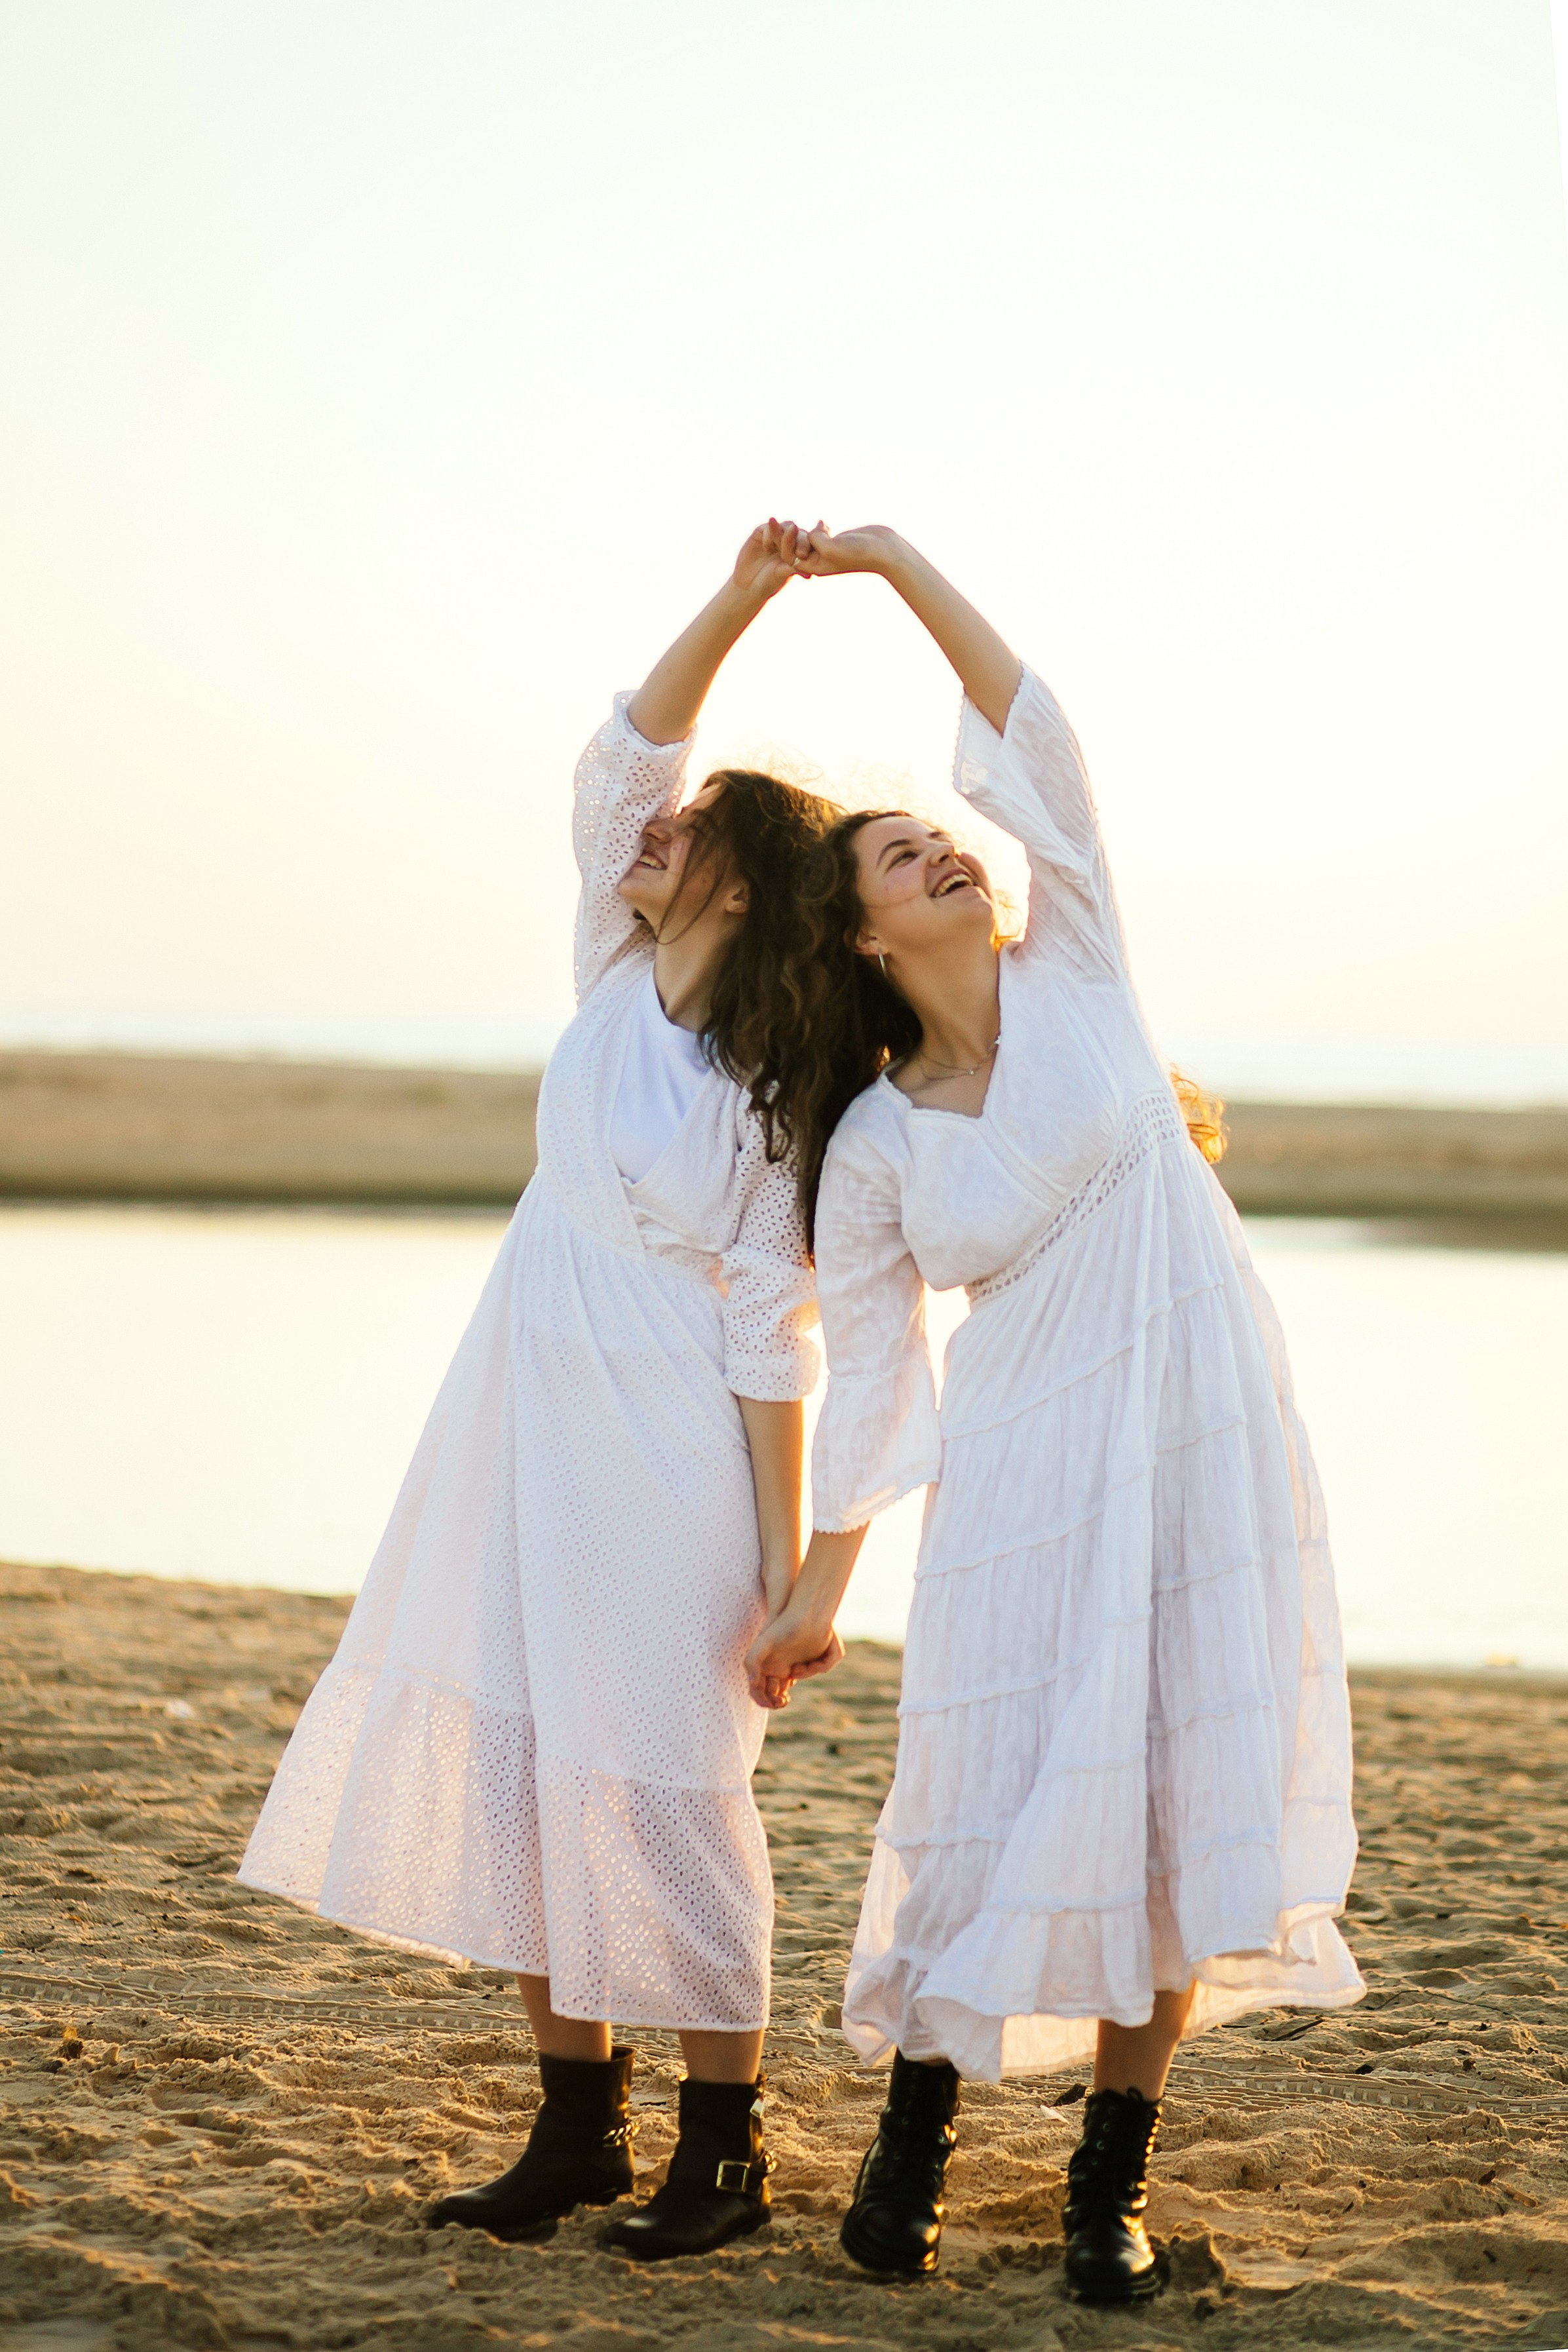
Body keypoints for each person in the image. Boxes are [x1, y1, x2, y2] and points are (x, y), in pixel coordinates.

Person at [747, 526, 1364, 2303]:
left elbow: (1040, 734)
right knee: (984, 1778)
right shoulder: (870, 1139)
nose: (939, 845)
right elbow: (873, 1371)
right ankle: (913, 2148)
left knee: (1182, 1774)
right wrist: (818, 1583)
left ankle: (1109, 2192)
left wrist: (892, 566)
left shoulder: (1079, 966)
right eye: (895, 851)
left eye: (937, 830)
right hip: (1021, 1466)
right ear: (853, 929)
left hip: (1197, 1429)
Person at [240, 522, 843, 2262]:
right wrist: (738, 596)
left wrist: (790, 1564)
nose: (653, 832)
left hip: (668, 1456)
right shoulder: (610, 971)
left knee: (663, 1779)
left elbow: (771, 1333)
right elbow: (620, 758)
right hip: (515, 1419)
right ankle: (576, 2124)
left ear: (738, 880)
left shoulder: (767, 1088)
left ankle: (718, 2150)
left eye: (694, 830)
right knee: (520, 1757)